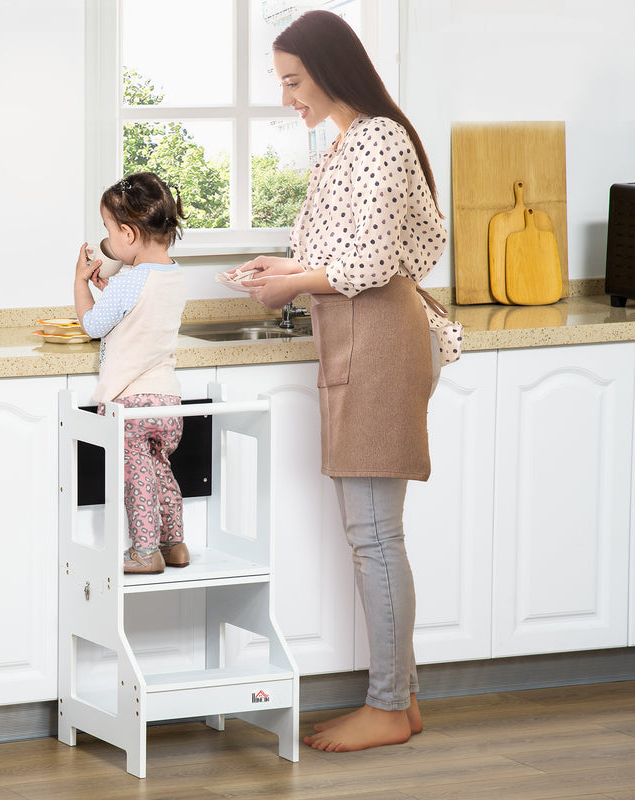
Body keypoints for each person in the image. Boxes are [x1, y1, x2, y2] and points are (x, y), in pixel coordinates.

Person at [234, 10, 448, 752]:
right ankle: (404, 702)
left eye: (294, 80)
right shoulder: (350, 143)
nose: (289, 96)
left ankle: (388, 707)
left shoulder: (379, 141)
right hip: (360, 334)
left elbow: (370, 264)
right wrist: (284, 273)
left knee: (373, 535)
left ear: (331, 68)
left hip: (380, 338)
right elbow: (349, 253)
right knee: (373, 532)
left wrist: (291, 287)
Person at [74, 171, 189, 575]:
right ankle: (173, 544)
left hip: (132, 406)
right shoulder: (174, 275)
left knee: (136, 481)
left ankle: (144, 551)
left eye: (108, 228)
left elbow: (92, 324)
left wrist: (81, 283)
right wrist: (111, 290)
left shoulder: (129, 282)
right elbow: (140, 313)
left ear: (126, 234)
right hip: (168, 404)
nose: (106, 237)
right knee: (160, 473)